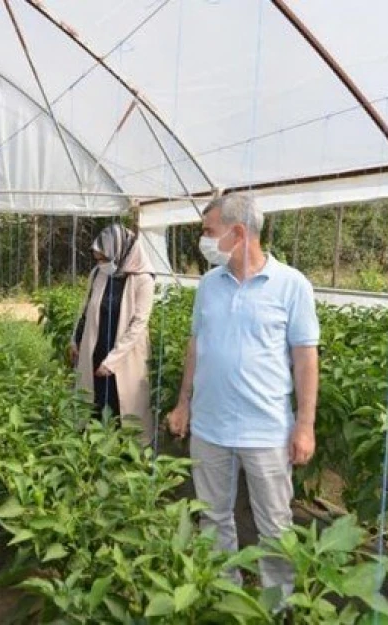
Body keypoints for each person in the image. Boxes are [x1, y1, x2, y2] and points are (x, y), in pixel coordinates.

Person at [166, 192, 320, 600]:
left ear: (237, 232)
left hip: (267, 430)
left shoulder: (291, 285)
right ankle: (223, 594)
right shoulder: (209, 285)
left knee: (274, 526)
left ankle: (277, 605)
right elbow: (196, 346)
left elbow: (306, 359)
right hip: (210, 426)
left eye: (208, 231)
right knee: (213, 518)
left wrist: (304, 425)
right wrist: (184, 403)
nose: (203, 239)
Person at [69, 223, 156, 447]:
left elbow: (139, 323)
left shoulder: (143, 279)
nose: (101, 263)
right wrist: (75, 339)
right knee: (95, 401)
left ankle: (129, 455)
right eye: (98, 259)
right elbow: (86, 307)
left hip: (125, 355)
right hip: (96, 347)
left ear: (119, 251)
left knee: (123, 404)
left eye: (103, 258)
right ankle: (96, 451)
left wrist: (113, 360)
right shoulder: (99, 274)